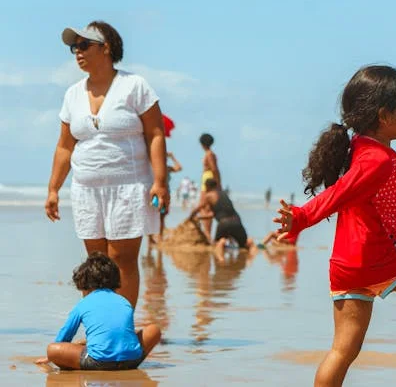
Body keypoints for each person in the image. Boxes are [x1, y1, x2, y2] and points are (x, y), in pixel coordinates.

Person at [271, 65, 396, 387]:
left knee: (342, 351)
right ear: (384, 115)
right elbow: (340, 193)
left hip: (346, 265)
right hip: (375, 259)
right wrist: (301, 218)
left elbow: (366, 197)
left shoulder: (364, 148)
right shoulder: (375, 160)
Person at [45, 21, 169, 309]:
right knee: (96, 265)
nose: (78, 52)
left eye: (84, 45)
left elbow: (155, 134)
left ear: (106, 48)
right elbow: (65, 145)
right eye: (74, 47)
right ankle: (97, 332)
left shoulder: (134, 86)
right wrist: (53, 189)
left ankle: (121, 330)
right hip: (87, 189)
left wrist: (160, 182)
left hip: (128, 186)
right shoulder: (73, 94)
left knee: (122, 261)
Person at [35, 253, 161, 370]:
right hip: (131, 360)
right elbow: (122, 331)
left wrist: (50, 357)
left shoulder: (83, 304)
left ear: (85, 286)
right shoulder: (124, 301)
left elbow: (65, 335)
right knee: (154, 330)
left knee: (53, 349)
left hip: (98, 362)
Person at [189, 178, 258, 257]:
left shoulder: (208, 196)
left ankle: (221, 260)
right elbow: (213, 214)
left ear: (207, 186)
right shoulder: (224, 194)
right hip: (237, 222)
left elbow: (199, 208)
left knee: (220, 242)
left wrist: (190, 216)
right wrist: (200, 218)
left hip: (224, 223)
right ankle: (254, 256)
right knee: (246, 243)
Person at [199, 133, 221, 238]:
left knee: (205, 207)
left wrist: (218, 184)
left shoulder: (209, 154)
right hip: (208, 178)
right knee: (205, 207)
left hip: (209, 178)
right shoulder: (209, 154)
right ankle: (207, 233)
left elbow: (214, 169)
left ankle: (207, 234)